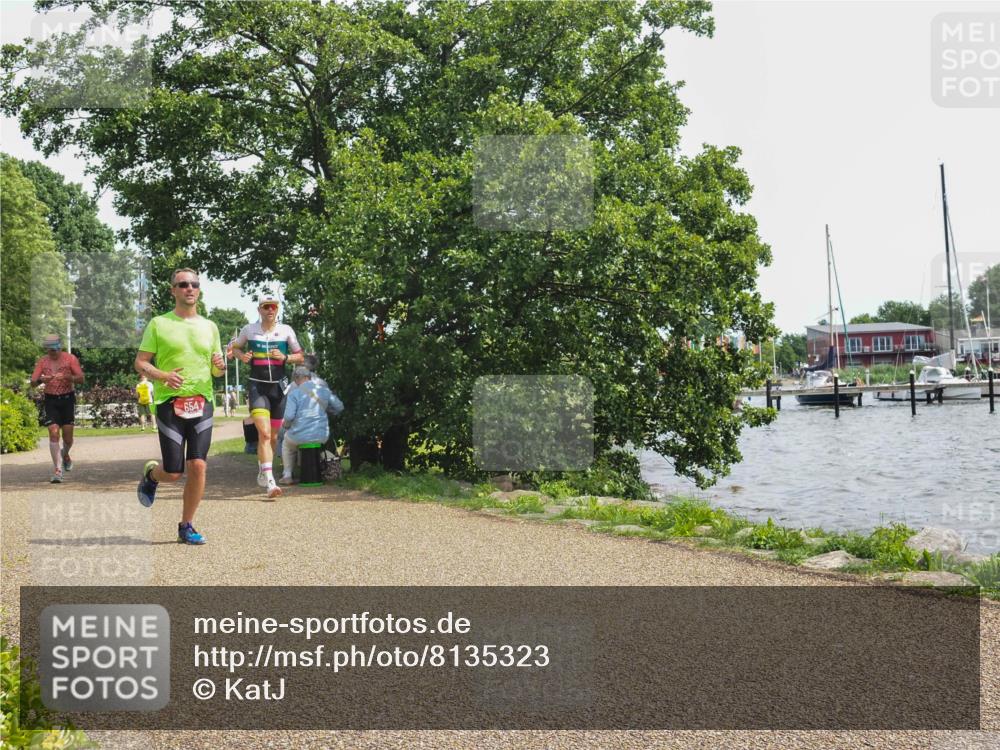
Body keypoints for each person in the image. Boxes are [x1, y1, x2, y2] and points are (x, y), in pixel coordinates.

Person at [134, 268, 225, 545]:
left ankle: (186, 525)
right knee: (173, 472)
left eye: (194, 284)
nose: (189, 288)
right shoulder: (159, 324)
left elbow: (217, 371)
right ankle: (152, 475)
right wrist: (163, 376)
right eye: (183, 284)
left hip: (202, 401)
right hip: (169, 404)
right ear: (173, 290)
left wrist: (219, 367)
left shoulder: (210, 327)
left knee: (197, 465)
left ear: (199, 290)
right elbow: (141, 362)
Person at [229, 295, 303, 499]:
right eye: (266, 307)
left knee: (273, 436)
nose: (270, 310)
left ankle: (264, 467)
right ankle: (270, 482)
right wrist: (241, 356)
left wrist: (286, 357)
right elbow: (234, 348)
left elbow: (301, 355)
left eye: (274, 307)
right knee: (263, 433)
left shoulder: (286, 331)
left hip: (279, 389)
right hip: (257, 387)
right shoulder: (249, 330)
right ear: (259, 310)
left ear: (277, 309)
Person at [30, 334, 85, 483]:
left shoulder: (70, 359)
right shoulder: (43, 361)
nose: (53, 353)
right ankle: (58, 470)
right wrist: (41, 379)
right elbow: (33, 382)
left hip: (67, 399)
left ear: (60, 347)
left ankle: (65, 454)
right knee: (53, 433)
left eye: (55, 350)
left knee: (68, 438)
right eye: (50, 350)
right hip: (51, 400)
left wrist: (68, 378)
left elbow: (81, 378)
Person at [279, 366, 334, 485]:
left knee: (286, 443)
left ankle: (287, 475)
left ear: (296, 379)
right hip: (321, 433)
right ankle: (307, 471)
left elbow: (288, 417)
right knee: (301, 441)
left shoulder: (294, 393)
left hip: (302, 434)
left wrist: (286, 426)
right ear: (309, 377)